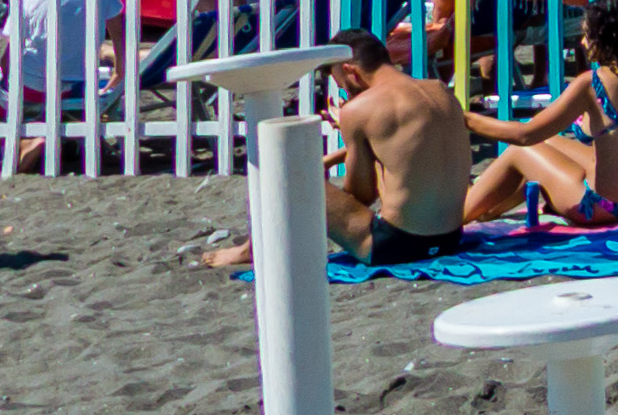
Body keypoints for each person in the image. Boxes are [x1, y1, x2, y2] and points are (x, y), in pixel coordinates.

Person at [201, 27, 476, 270]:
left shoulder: (360, 109)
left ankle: (250, 249)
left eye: (342, 85)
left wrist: (343, 138)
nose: (346, 92)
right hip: (450, 238)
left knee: (282, 171)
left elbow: (361, 195)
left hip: (394, 246)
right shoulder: (439, 90)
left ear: (350, 71)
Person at [464, 0, 618, 227]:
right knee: (548, 143)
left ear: (606, 39)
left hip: (606, 208)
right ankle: (488, 209)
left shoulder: (593, 83)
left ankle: (463, 211)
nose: (583, 42)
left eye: (588, 35)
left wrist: (465, 119)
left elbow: (524, 135)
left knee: (521, 150)